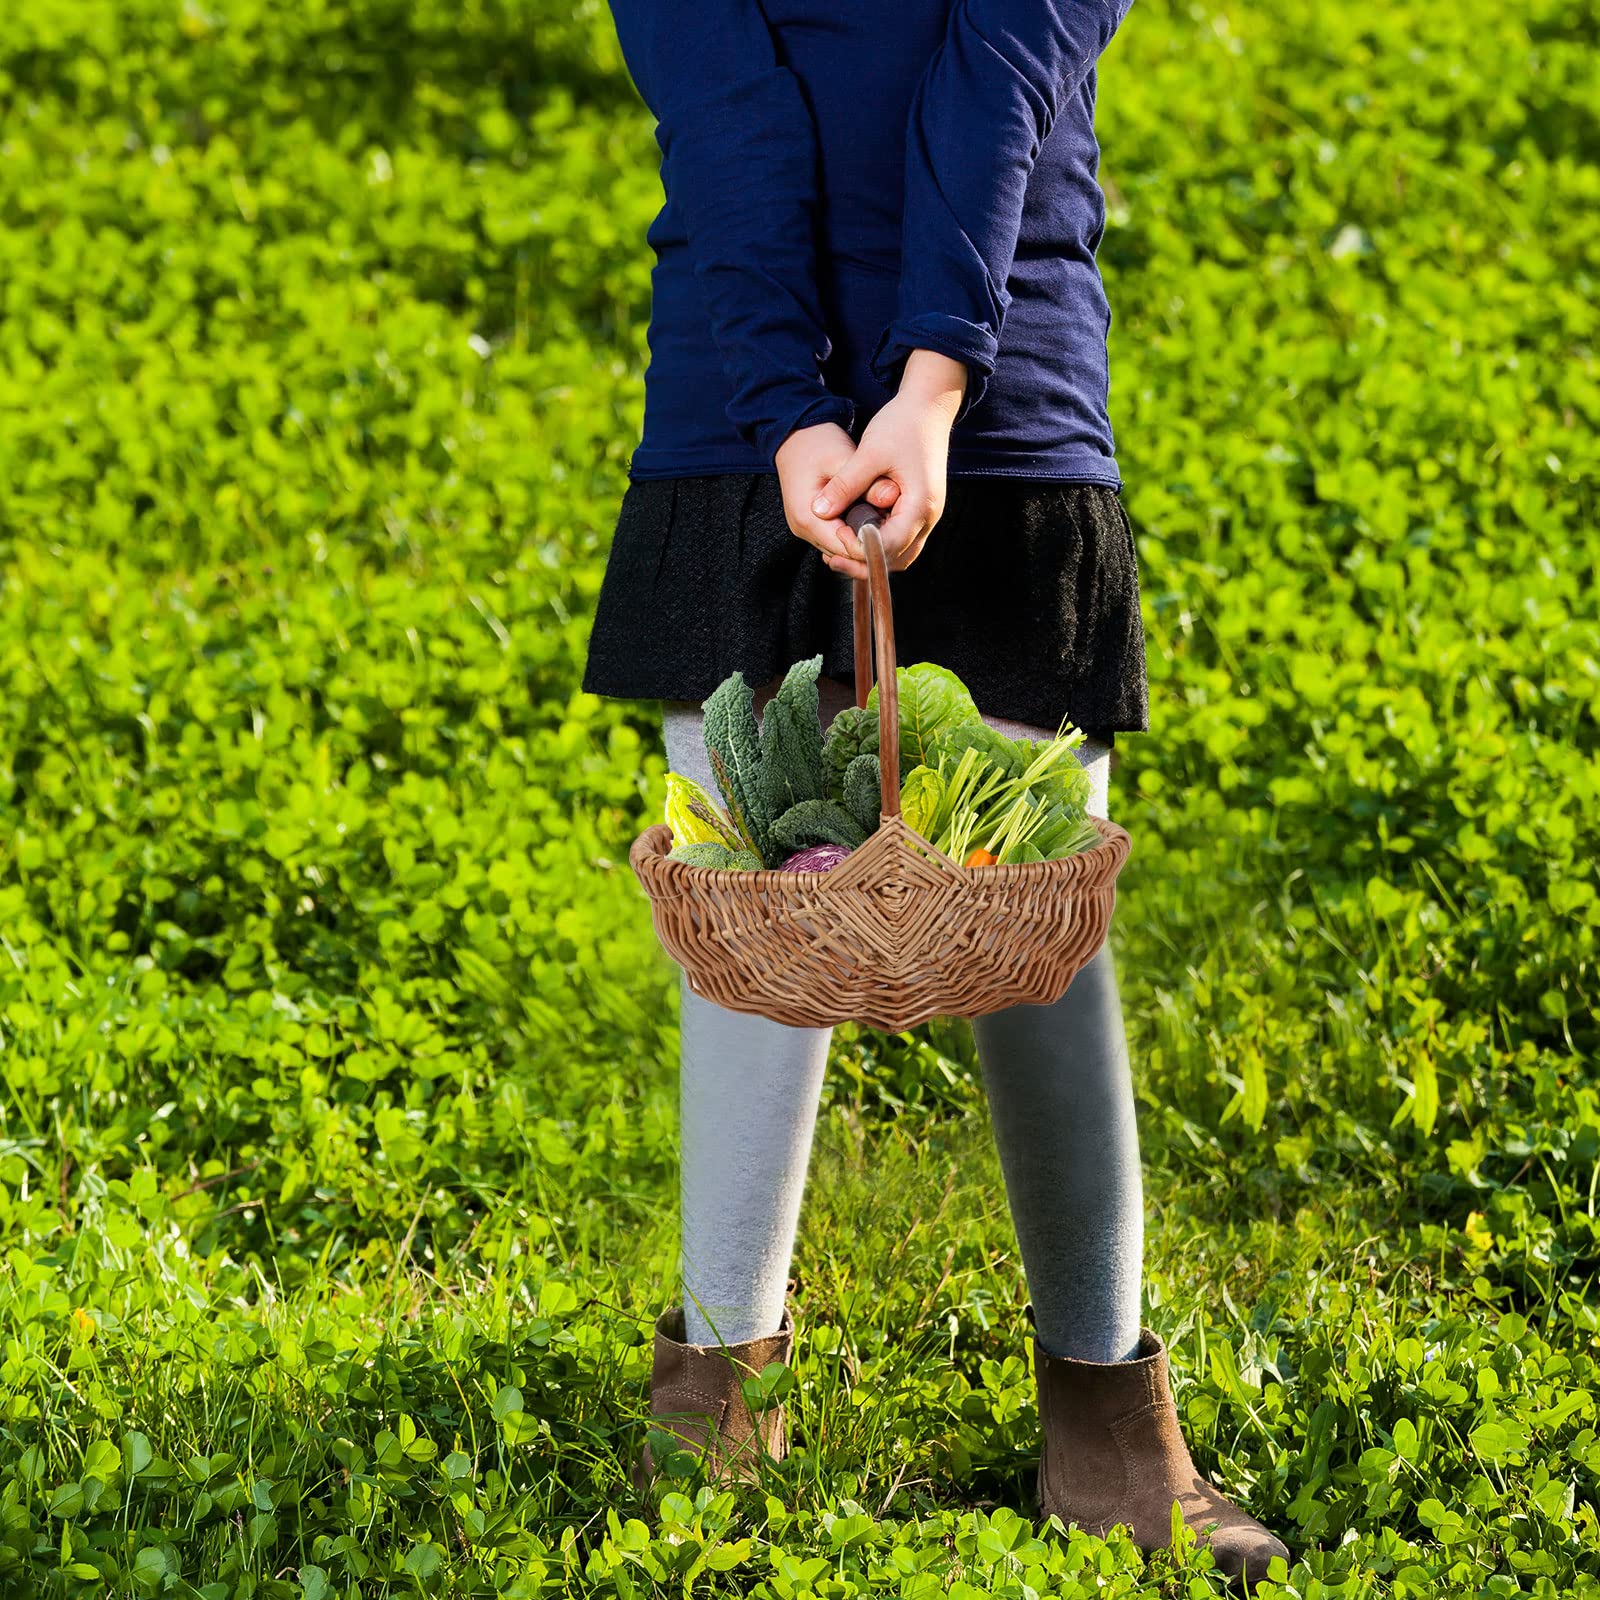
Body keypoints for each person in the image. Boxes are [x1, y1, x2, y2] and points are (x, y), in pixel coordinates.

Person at [580, 0, 1290, 1582]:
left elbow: (1016, 44)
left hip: (1009, 331)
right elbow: (716, 76)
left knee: (1035, 881)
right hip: (738, 360)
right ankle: (718, 1380)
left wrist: (936, 377)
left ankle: (1108, 1414)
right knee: (754, 872)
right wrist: (783, 401)